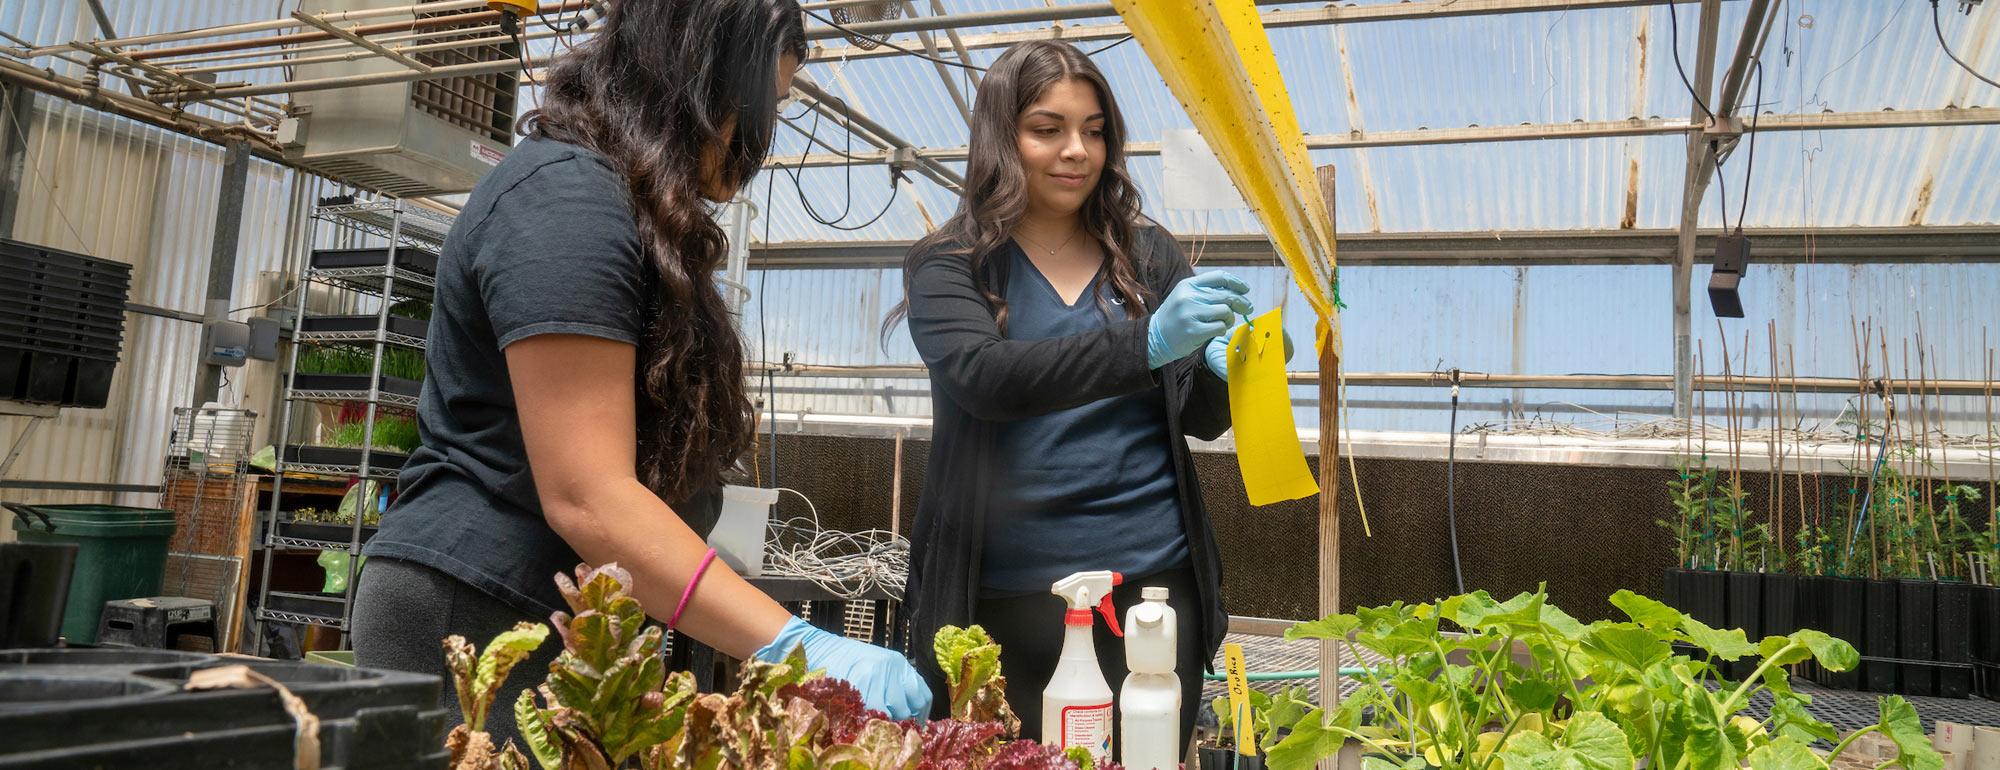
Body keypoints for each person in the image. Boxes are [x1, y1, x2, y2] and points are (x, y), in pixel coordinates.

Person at [352, 0, 929, 745]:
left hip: (552, 607)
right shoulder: (565, 200)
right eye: (763, 105)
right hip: (478, 609)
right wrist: (795, 644)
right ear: (695, 79)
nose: (764, 138)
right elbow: (587, 495)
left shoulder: (621, 200)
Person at [888, 40, 1293, 749]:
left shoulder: (1148, 257)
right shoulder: (949, 266)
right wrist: (1145, 345)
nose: (1077, 150)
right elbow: (986, 379)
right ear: (1001, 138)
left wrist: (1239, 370)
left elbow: (1194, 417)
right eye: (1048, 128)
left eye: (1095, 130)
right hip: (1008, 599)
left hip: (1154, 591)